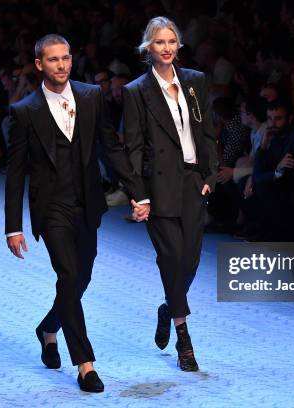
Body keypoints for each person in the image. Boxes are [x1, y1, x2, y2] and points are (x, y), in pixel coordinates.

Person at [4, 34, 138, 393]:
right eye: (53, 60)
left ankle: (48, 328)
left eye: (65, 58)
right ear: (39, 65)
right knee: (67, 274)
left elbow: (111, 146)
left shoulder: (91, 96)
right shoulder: (24, 111)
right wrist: (12, 226)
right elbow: (16, 171)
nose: (61, 65)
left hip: (87, 203)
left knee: (81, 279)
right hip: (51, 208)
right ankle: (85, 364)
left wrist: (136, 192)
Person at [121, 16, 217, 371]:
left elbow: (207, 130)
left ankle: (169, 306)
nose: (166, 48)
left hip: (193, 183)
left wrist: (210, 174)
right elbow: (132, 146)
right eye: (159, 42)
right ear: (148, 48)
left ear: (178, 46)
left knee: (189, 262)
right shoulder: (136, 91)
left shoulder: (195, 82)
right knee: (172, 259)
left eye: (172, 42)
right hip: (158, 189)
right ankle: (184, 339)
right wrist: (138, 194)